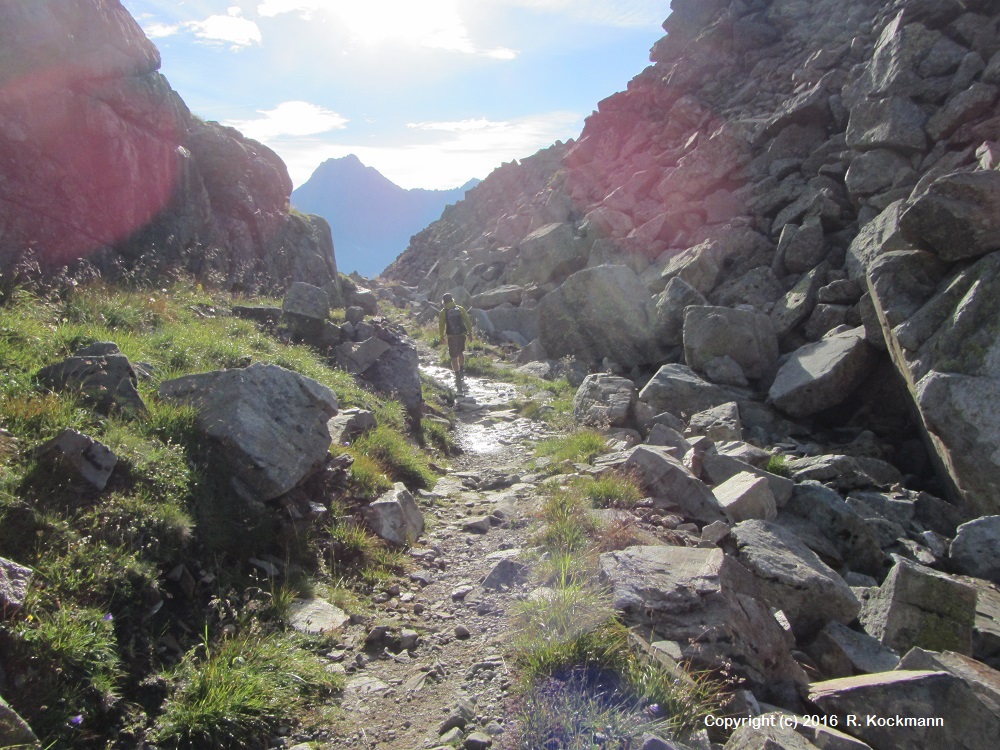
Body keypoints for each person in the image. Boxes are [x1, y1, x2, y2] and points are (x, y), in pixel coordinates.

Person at [438, 293, 473, 373]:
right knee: (460, 352)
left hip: (451, 336)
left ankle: (457, 375)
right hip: (462, 334)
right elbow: (467, 321)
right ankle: (462, 370)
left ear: (444, 302)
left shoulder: (443, 312)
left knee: (453, 356)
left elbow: (441, 326)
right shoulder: (460, 309)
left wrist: (442, 336)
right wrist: (470, 333)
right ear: (452, 300)